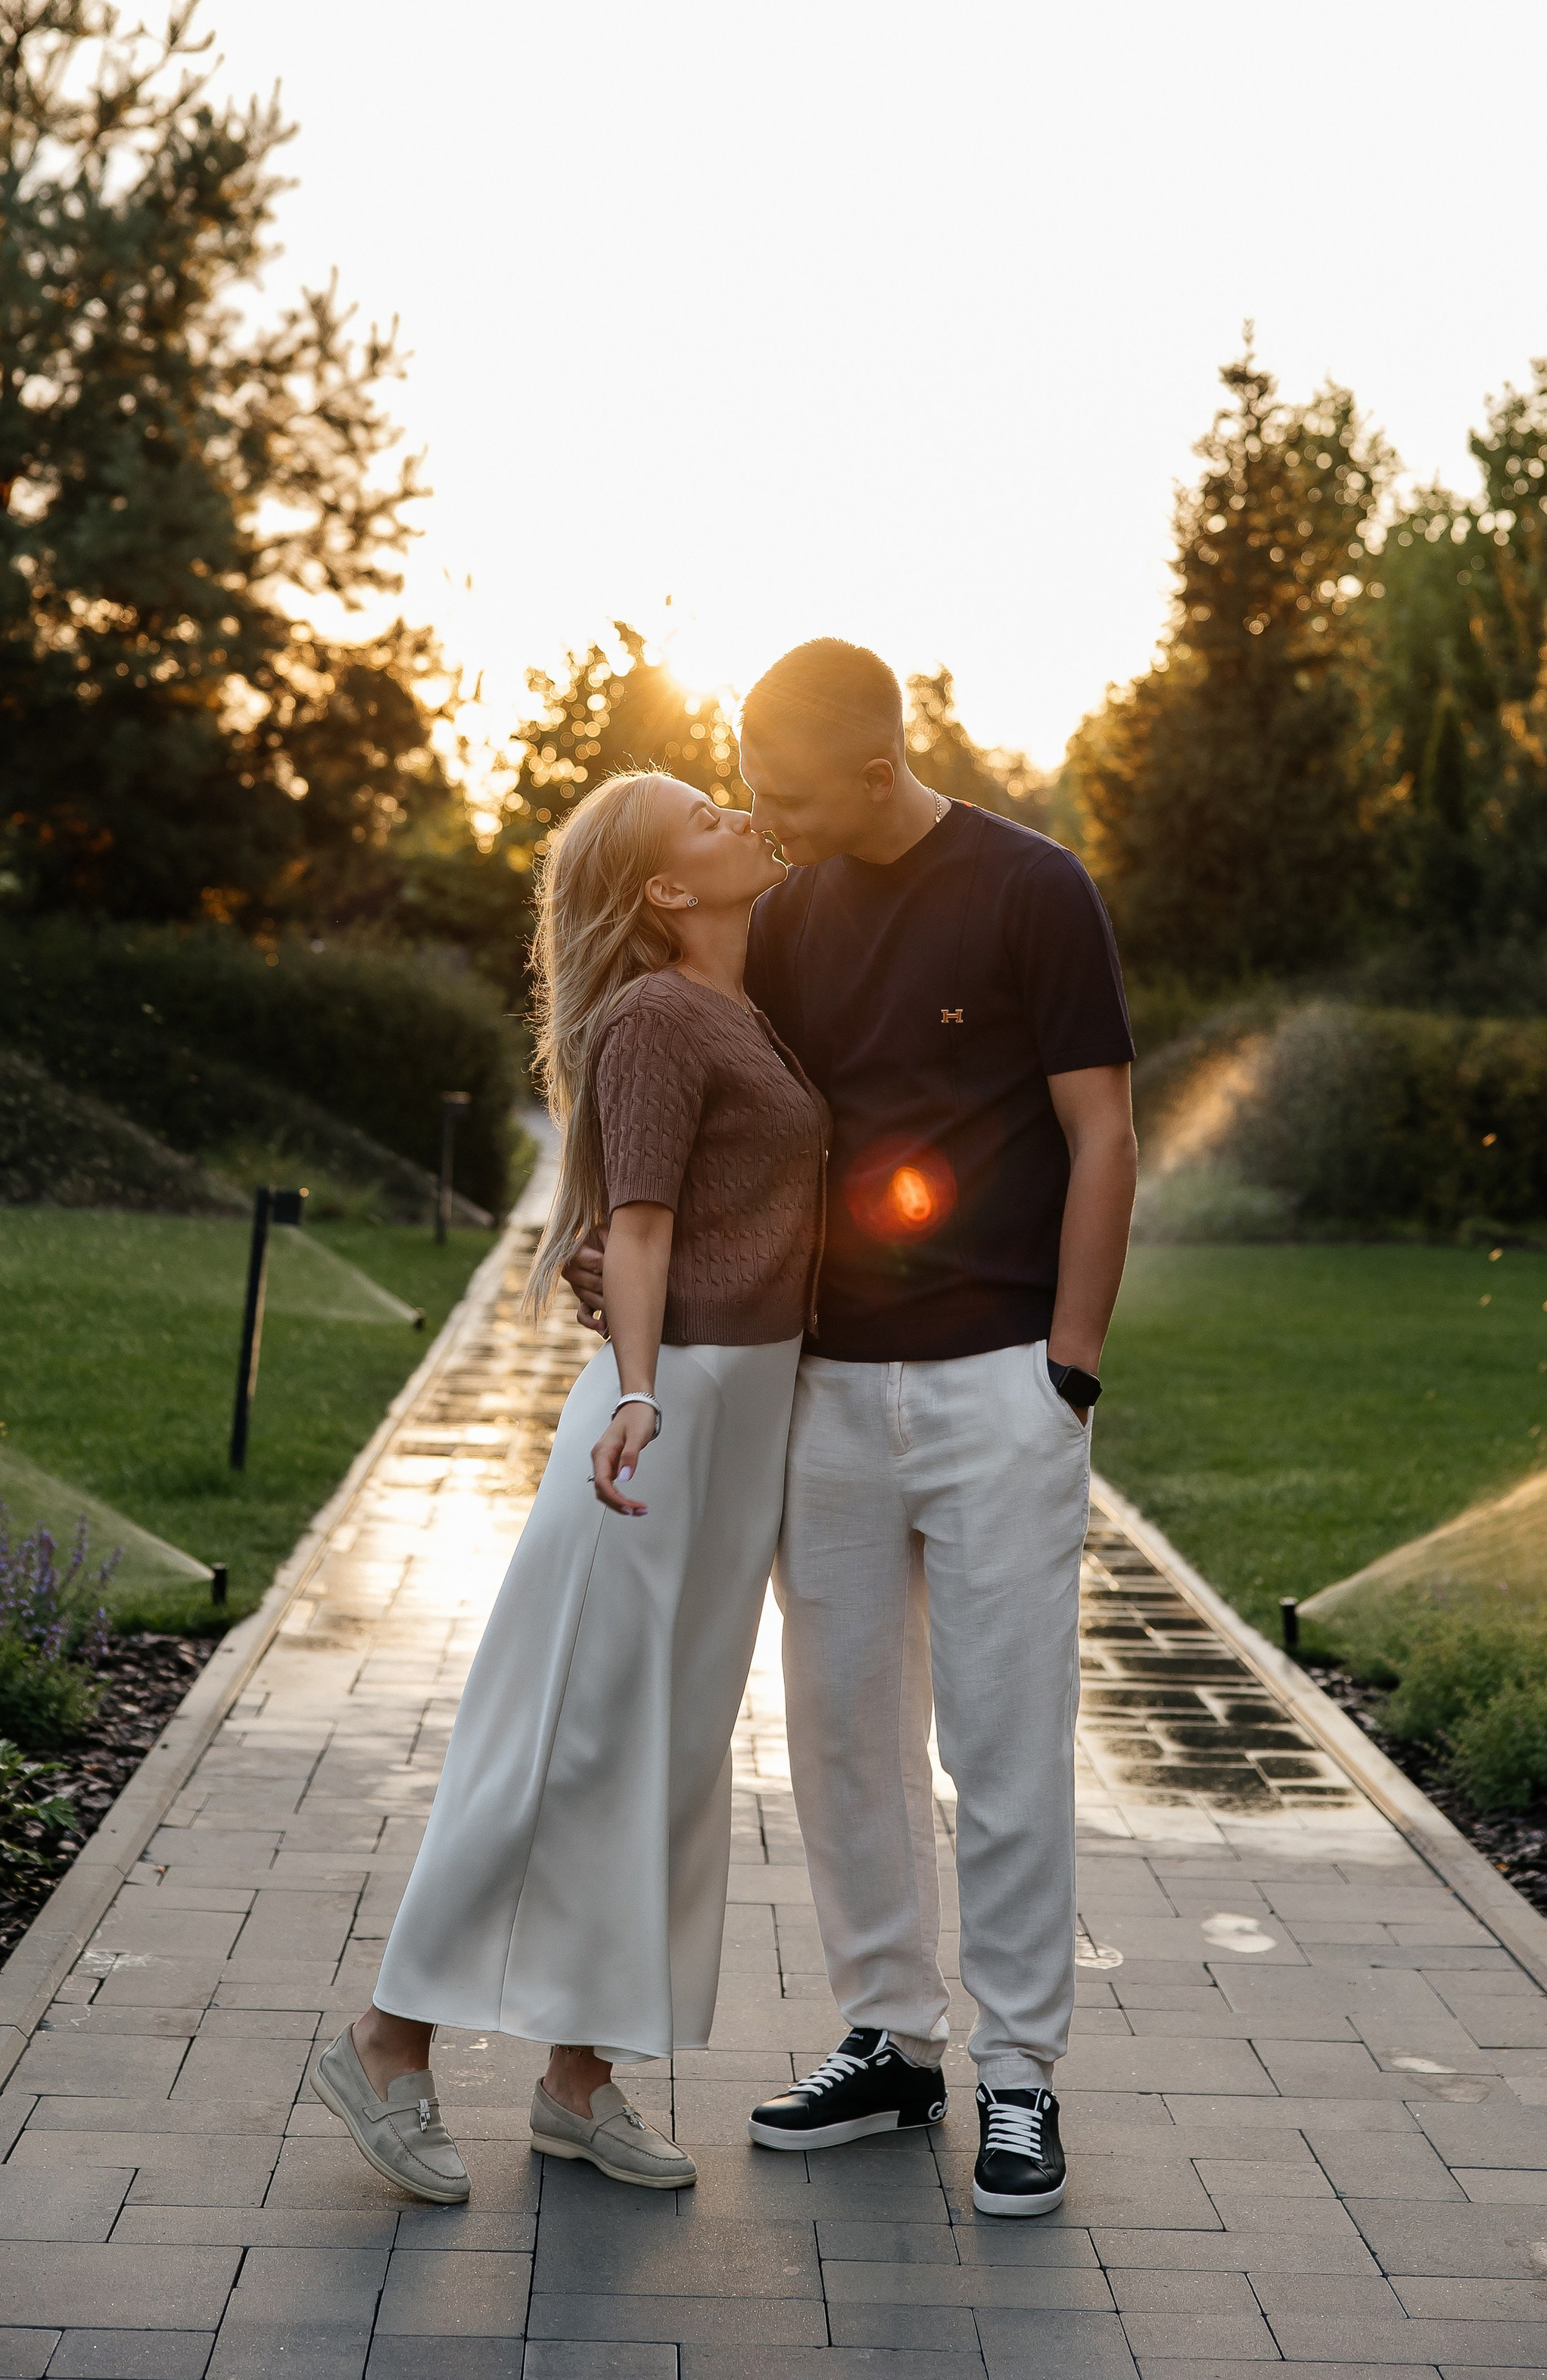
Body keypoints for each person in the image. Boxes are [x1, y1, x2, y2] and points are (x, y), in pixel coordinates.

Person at [568, 639, 1136, 2218]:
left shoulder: (1034, 891)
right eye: (750, 792)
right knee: (838, 1736)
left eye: (792, 794)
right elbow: (709, 1094)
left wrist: (1066, 1362)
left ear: (879, 769)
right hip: (820, 1389)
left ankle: (1018, 2076)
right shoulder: (794, 916)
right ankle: (889, 2039)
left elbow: (1102, 1134)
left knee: (1002, 1738)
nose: (769, 819)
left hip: (997, 1383)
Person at [316, 769, 829, 2200]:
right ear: (666, 890)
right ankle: (385, 2044)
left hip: (738, 1415)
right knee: (561, 1745)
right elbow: (644, 1223)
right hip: (658, 1426)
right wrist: (646, 1388)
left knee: (663, 1752)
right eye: (708, 820)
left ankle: (578, 2081)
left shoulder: (744, 1004)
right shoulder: (660, 1014)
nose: (742, 817)